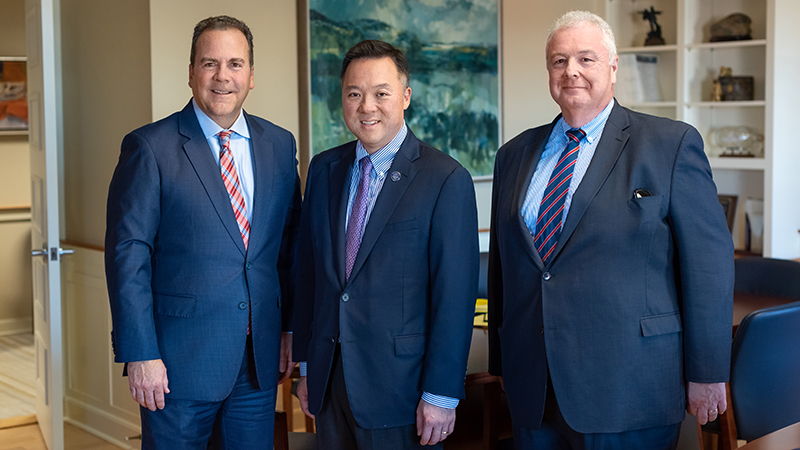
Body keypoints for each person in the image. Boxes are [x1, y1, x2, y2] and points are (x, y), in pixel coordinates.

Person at [487, 10, 734, 450]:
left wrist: (708, 372)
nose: (572, 72)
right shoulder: (513, 155)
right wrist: (502, 362)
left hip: (630, 388)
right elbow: (504, 270)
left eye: (586, 58)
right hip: (534, 390)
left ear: (613, 67)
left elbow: (709, 269)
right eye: (559, 61)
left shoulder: (670, 145)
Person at [105, 15, 300, 449]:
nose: (222, 77)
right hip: (177, 366)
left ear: (252, 75)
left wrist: (289, 331)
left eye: (235, 64)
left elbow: (288, 249)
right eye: (209, 63)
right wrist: (140, 353)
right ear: (191, 72)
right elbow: (128, 255)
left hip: (258, 363)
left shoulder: (280, 145)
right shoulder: (150, 147)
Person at [292, 39, 479, 449]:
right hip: (329, 385)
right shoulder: (324, 169)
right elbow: (310, 276)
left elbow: (455, 297)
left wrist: (441, 395)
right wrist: (307, 366)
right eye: (354, 94)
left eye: (381, 93)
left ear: (406, 97)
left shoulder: (445, 179)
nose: (366, 106)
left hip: (403, 391)